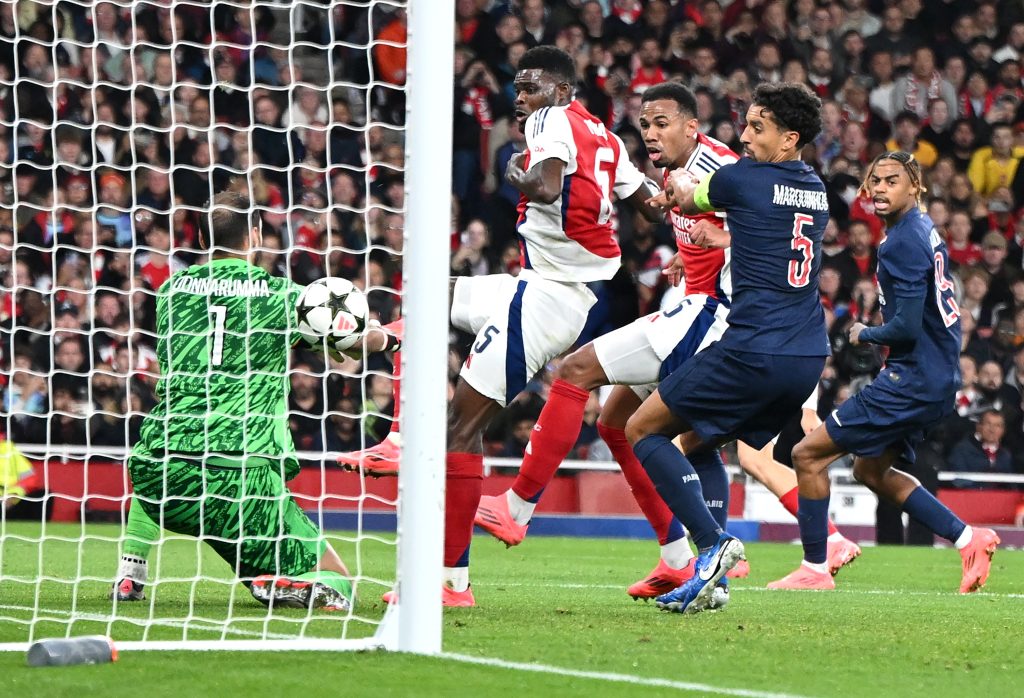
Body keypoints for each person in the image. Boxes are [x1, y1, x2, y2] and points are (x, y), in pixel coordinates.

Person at [471, 82, 859, 601]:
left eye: (661, 124)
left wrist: (705, 229)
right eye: (645, 125)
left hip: (715, 316)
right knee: (635, 427)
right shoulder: (799, 182)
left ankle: (520, 506)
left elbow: (725, 208)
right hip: (765, 330)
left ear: (691, 127)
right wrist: (696, 249)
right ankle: (682, 558)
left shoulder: (722, 168)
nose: (650, 135)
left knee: (581, 374)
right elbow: (772, 225)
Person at [345, 46, 659, 607]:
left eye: (531, 87)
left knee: (459, 428)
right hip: (552, 287)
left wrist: (515, 169)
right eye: (517, 88)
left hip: (547, 298)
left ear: (562, 91)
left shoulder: (549, 120)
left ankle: (450, 583)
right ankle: (396, 424)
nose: (521, 98)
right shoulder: (607, 138)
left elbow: (546, 186)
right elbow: (651, 205)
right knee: (432, 296)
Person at [111, 191, 400, 610]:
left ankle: (130, 571)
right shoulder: (278, 295)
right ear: (256, 234)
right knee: (339, 584)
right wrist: (388, 337)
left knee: (168, 442)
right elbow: (353, 341)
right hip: (239, 483)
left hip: (160, 477)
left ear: (203, 237)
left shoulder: (171, 291)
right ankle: (288, 581)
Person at [627, 82, 832, 614]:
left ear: (789, 139)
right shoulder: (817, 189)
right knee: (698, 441)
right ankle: (715, 582)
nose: (744, 136)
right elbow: (765, 232)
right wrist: (724, 239)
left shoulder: (741, 178)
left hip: (753, 349)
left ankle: (713, 545)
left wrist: (673, 190)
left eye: (757, 128)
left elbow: (685, 195)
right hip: (807, 355)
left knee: (642, 429)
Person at [769, 151, 1000, 593]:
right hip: (935, 376)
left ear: (915, 186)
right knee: (869, 471)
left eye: (891, 181)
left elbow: (907, 327)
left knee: (806, 455)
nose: (879, 188)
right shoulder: (921, 228)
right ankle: (969, 539)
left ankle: (815, 566)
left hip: (912, 379)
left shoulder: (901, 242)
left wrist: (865, 333)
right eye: (874, 180)